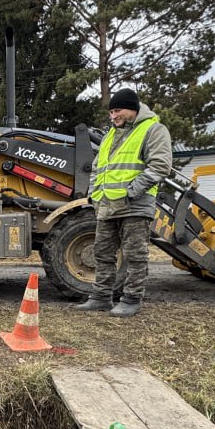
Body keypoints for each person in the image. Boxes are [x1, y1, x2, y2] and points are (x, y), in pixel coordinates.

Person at [76, 88, 173, 318]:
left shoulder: (153, 130)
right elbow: (100, 167)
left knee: (134, 254)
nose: (113, 116)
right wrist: (94, 194)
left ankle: (131, 299)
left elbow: (160, 166)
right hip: (108, 205)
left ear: (132, 109)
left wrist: (131, 192)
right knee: (102, 252)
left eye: (117, 110)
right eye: (111, 112)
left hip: (134, 206)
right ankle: (100, 297)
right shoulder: (112, 133)